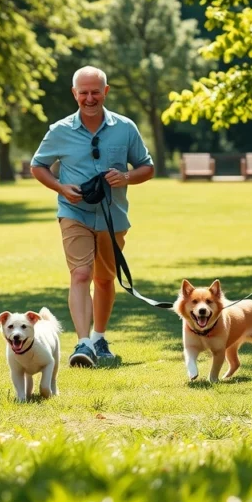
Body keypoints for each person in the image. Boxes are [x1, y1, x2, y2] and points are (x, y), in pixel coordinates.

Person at [30, 65, 154, 367]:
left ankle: (99, 337)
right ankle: (83, 344)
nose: (89, 98)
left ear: (106, 92)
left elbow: (147, 168)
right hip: (74, 212)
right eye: (83, 92)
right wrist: (60, 187)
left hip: (113, 216)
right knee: (81, 274)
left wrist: (126, 177)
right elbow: (38, 166)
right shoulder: (59, 131)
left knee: (104, 279)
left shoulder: (126, 128)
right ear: (74, 94)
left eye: (95, 92)